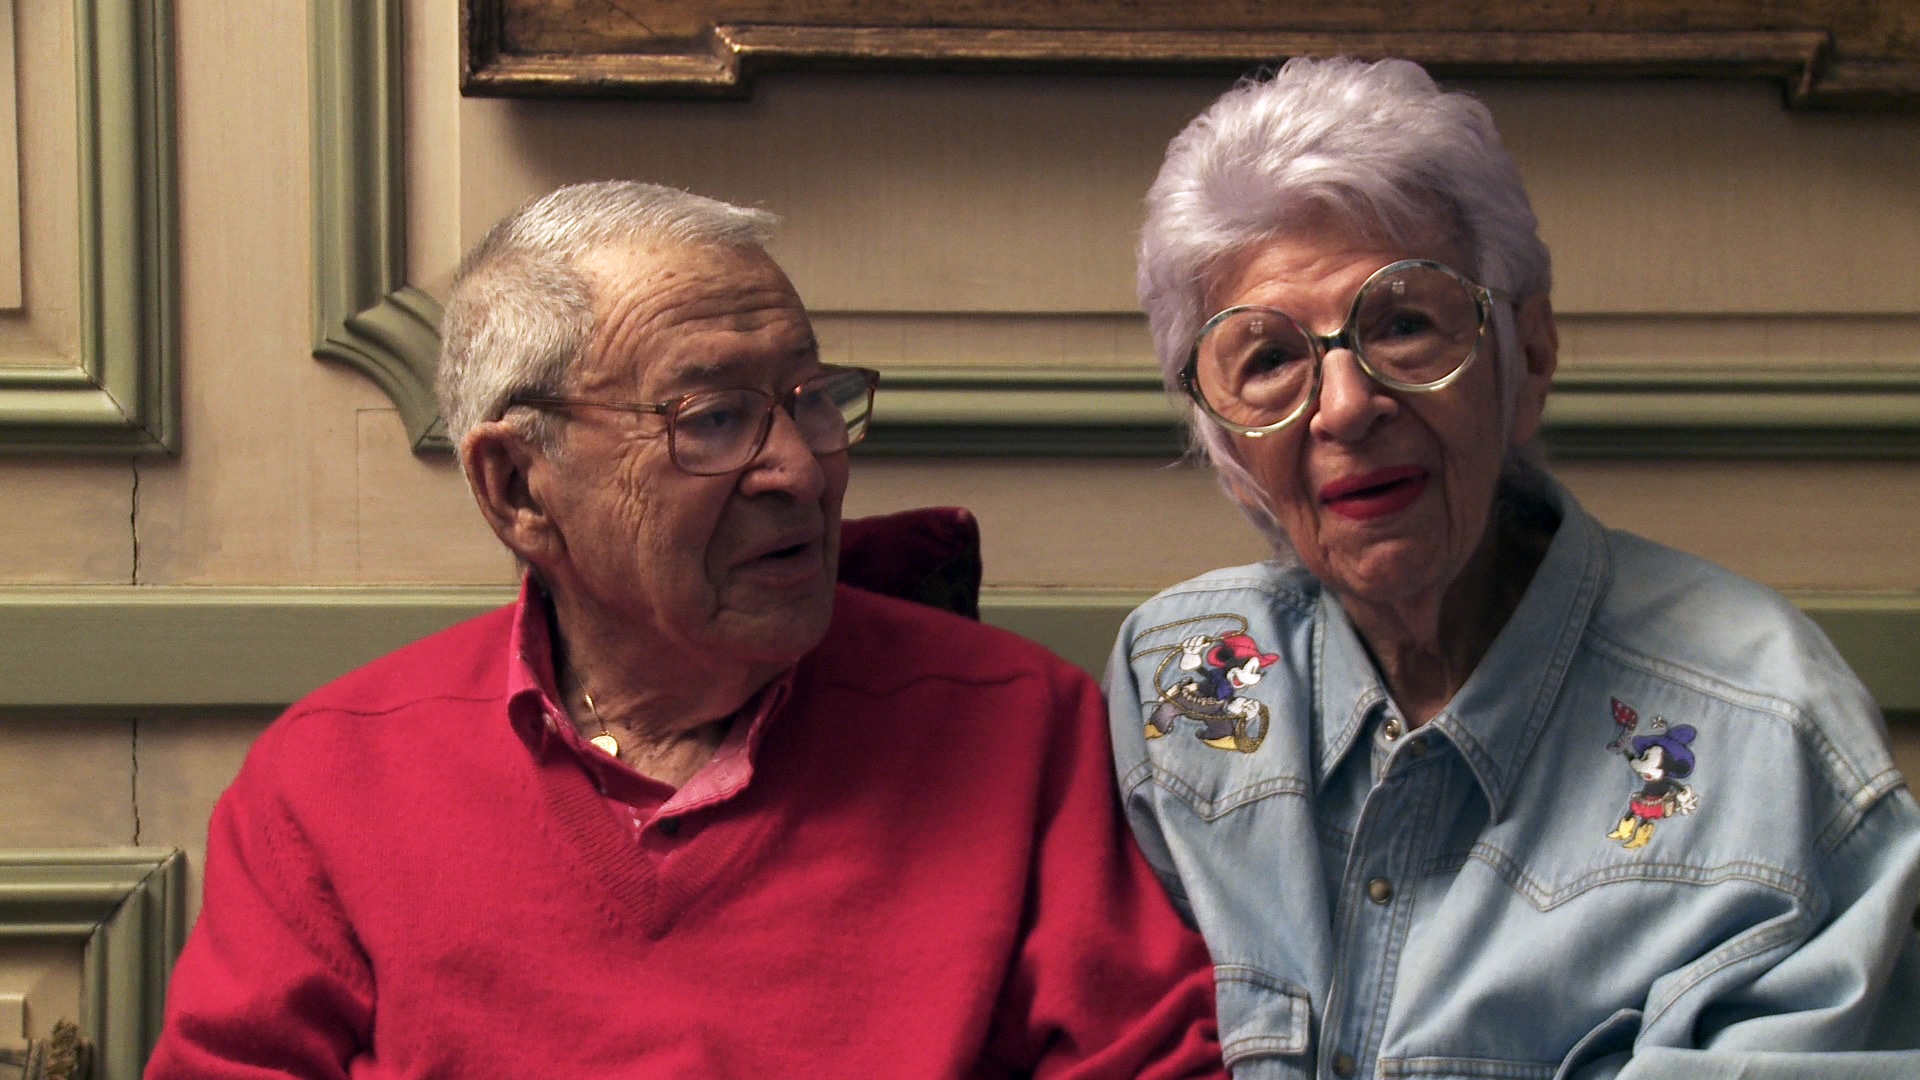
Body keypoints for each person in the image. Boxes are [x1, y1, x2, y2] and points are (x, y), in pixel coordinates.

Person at [148, 181, 1227, 1079]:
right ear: (519, 486)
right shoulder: (330, 783)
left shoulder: (1022, 727)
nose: (803, 470)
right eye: (712, 420)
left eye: (811, 397)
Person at [1108, 57, 1920, 1080]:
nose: (1346, 405)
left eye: (1404, 323)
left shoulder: (1766, 732)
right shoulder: (1180, 686)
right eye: (1267, 359)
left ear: (1527, 355)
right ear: (1227, 444)